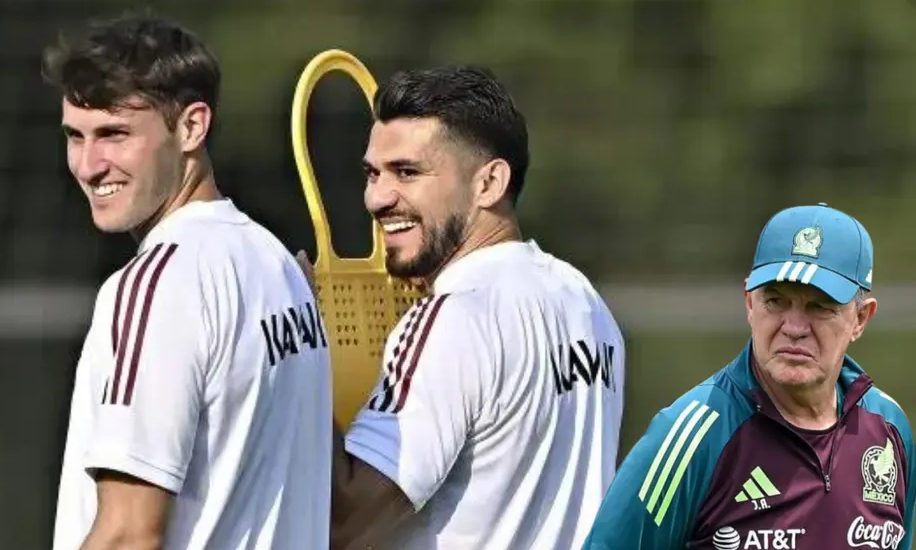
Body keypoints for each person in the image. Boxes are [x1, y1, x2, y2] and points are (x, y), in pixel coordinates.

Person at [42, 10, 332, 550]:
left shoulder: (157, 283)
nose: (88, 165)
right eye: (75, 136)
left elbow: (129, 534)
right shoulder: (279, 267)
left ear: (192, 127)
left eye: (114, 134)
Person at [307, 65, 627, 550]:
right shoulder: (582, 299)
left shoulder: (452, 318)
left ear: (489, 183)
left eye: (407, 172)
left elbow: (342, 523)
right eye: (373, 173)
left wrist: (304, 344)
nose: (376, 198)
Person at [582, 203, 915, 550]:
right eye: (775, 301)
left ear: (861, 319)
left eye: (819, 306)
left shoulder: (889, 431)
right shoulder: (690, 437)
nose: (795, 327)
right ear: (749, 303)